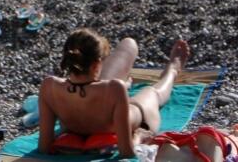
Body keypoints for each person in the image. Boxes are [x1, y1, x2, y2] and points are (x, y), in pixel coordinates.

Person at [38, 28, 191, 158]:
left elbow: (44, 147)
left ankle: (126, 80)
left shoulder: (49, 86)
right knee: (152, 93)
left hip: (78, 125)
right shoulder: (113, 89)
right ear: (97, 63)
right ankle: (172, 71)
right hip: (125, 117)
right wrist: (138, 136)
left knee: (129, 44)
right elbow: (127, 153)